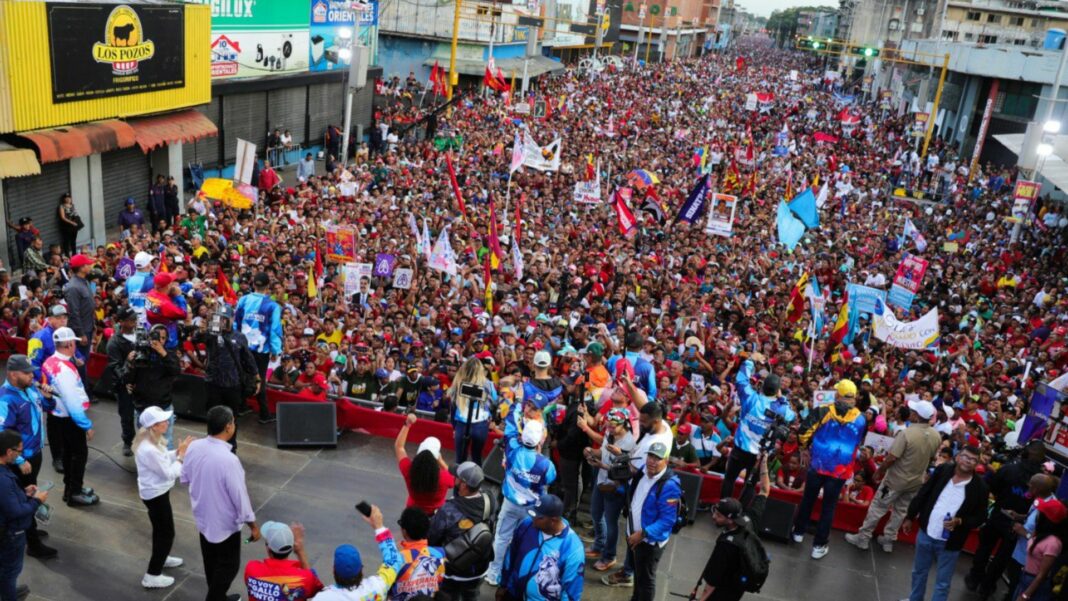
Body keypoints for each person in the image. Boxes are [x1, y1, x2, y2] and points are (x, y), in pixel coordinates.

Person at [181, 405, 261, 601]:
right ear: (228, 427)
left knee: (211, 563)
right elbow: (240, 498)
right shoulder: (229, 460)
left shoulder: (195, 447)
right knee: (229, 566)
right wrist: (253, 525)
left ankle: (220, 597)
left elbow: (185, 476)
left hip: (203, 517)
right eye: (233, 421)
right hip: (224, 525)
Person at [846, 399, 941, 553]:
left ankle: (863, 538)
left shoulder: (907, 434)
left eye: (913, 411)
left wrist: (879, 471)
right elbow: (931, 458)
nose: (910, 413)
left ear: (916, 415)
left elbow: (892, 457)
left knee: (878, 507)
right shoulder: (936, 435)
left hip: (895, 480)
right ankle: (888, 540)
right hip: (915, 482)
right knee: (900, 511)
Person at [901, 445, 989, 601]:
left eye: (973, 460)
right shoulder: (943, 471)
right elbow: (924, 493)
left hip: (950, 542)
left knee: (943, 583)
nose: (967, 461)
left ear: (977, 464)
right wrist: (910, 516)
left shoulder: (980, 487)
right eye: (965, 456)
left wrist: (960, 521)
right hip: (926, 533)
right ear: (957, 457)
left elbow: (981, 517)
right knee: (918, 572)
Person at [791, 379, 866, 560]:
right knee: (829, 507)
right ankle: (819, 545)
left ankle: (798, 533)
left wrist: (803, 449)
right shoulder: (861, 419)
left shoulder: (823, 410)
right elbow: (859, 441)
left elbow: (804, 432)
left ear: (837, 395)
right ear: (854, 396)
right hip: (841, 470)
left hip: (818, 464)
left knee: (808, 499)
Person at [965, 439, 1047, 597]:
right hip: (1016, 524)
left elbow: (992, 486)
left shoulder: (1010, 469)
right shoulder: (1041, 480)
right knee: (1002, 557)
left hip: (1000, 516)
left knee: (985, 548)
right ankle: (986, 586)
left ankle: (976, 579)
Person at [485, 419, 555, 587]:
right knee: (524, 541)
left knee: (501, 538)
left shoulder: (512, 450)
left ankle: (493, 574)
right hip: (531, 510)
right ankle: (515, 577)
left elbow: (509, 428)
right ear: (541, 440)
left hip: (509, 505)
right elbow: (550, 479)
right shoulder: (546, 464)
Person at [693, 455, 773, 601]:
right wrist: (763, 462)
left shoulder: (726, 544)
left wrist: (701, 598)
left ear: (730, 519)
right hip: (737, 588)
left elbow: (712, 581)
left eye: (719, 516)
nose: (714, 517)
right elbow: (764, 490)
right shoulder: (750, 520)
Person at [0, 355, 57, 560]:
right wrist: (18, 460)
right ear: (13, 374)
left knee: (28, 492)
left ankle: (29, 528)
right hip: (21, 460)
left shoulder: (30, 388)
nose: (32, 375)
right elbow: (2, 435)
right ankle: (32, 542)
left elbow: (47, 408)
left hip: (35, 454)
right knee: (24, 498)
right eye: (26, 372)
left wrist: (48, 398)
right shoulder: (6, 399)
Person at [719, 353, 795, 500]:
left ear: (762, 385)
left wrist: (751, 361)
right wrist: (782, 398)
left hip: (740, 449)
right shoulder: (780, 407)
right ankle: (738, 515)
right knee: (750, 485)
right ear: (778, 390)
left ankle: (723, 508)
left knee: (729, 479)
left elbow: (741, 380)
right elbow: (791, 416)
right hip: (759, 455)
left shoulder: (750, 397)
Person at [134, 406, 192, 589]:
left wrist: (176, 453)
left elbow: (162, 457)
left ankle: (162, 556)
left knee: (160, 531)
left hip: (156, 492)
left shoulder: (147, 439)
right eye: (163, 421)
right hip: (156, 494)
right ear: (154, 426)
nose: (168, 422)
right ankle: (152, 575)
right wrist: (181, 458)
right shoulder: (148, 448)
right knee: (166, 533)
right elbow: (168, 473)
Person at [42, 326, 97, 507]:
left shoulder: (51, 361)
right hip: (70, 418)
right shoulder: (64, 370)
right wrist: (86, 425)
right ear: (68, 344)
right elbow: (72, 401)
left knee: (68, 453)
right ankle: (74, 492)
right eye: (73, 342)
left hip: (59, 415)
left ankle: (70, 488)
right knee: (78, 454)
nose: (75, 345)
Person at [428, 462, 497, 600]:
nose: (455, 479)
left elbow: (432, 538)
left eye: (457, 477)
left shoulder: (448, 510)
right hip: (480, 567)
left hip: (454, 571)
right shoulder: (490, 498)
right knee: (471, 595)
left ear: (464, 485)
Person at [496, 493, 584, 601]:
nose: (533, 518)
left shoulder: (572, 548)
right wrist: (503, 584)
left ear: (553, 520)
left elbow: (571, 591)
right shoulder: (527, 525)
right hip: (513, 594)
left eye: (538, 517)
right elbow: (511, 556)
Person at [623, 442, 682, 601]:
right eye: (650, 456)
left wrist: (643, 534)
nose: (652, 461)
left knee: (646, 581)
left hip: (648, 542)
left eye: (657, 458)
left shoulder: (670, 485)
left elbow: (668, 520)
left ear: (666, 461)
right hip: (633, 535)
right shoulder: (643, 469)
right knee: (638, 574)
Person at [196, 304, 259, 452]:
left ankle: (231, 448)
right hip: (213, 383)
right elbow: (197, 338)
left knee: (232, 418)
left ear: (232, 319)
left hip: (233, 384)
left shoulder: (240, 337)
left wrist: (257, 378)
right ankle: (212, 448)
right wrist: (203, 329)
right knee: (213, 417)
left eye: (226, 318)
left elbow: (248, 359)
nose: (223, 321)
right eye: (220, 318)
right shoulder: (211, 334)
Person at [580, 407, 635, 573]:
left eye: (613, 425)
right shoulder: (609, 434)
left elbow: (625, 471)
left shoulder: (629, 443)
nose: (609, 428)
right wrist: (591, 452)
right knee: (596, 514)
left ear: (624, 423)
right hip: (601, 481)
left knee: (611, 523)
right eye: (608, 425)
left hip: (614, 486)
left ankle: (609, 555)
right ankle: (599, 544)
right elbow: (602, 453)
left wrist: (604, 464)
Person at [311, 504, 404, 601]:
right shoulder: (376, 587)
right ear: (361, 569)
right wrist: (379, 527)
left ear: (333, 571)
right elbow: (394, 561)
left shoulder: (323, 598)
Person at [26, 304, 78, 472]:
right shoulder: (38, 337)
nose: (63, 320)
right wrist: (43, 385)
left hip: (67, 384)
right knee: (55, 422)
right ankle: (57, 457)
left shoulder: (66, 334)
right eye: (60, 317)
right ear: (50, 318)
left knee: (68, 421)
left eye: (65, 317)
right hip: (49, 387)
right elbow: (32, 365)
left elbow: (75, 355)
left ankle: (68, 451)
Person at [0, 429, 48, 601]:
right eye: (19, 451)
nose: (21, 455)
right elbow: (15, 512)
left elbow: (7, 499)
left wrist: (23, 493)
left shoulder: (4, 472)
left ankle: (7, 590)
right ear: (8, 452)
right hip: (11, 533)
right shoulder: (3, 479)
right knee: (10, 570)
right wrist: (37, 501)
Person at [235, 272, 283, 425]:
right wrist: (276, 350)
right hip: (261, 350)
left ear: (253, 284)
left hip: (242, 347)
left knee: (242, 375)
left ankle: (241, 407)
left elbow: (236, 322)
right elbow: (275, 330)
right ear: (268, 286)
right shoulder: (273, 306)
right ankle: (264, 413)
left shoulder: (243, 300)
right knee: (259, 379)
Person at [125, 324, 181, 451]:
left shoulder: (170, 355)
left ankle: (166, 469)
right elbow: (127, 378)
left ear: (166, 340)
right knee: (145, 445)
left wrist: (163, 353)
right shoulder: (140, 353)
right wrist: (129, 363)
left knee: (166, 443)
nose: (158, 341)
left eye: (162, 338)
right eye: (155, 337)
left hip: (163, 407)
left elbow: (176, 371)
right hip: (142, 408)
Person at [1003, 475, 1059, 601]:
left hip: (1028, 561)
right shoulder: (1039, 500)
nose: (1028, 487)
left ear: (1036, 489)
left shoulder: (1050, 508)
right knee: (1013, 586)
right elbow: (1032, 519)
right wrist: (1019, 516)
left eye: (1031, 485)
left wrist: (1024, 532)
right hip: (1020, 552)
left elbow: (1044, 541)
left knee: (1017, 589)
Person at [244, 521, 324, 601]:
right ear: (291, 547)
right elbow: (318, 591)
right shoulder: (306, 578)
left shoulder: (252, 568)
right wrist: (300, 551)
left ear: (268, 548)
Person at [394, 413, 454, 515]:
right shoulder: (444, 477)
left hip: (412, 513)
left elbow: (399, 447)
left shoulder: (408, 470)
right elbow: (452, 479)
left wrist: (407, 424)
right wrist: (441, 461)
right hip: (435, 516)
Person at [1011, 498, 1066, 601]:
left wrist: (1026, 595)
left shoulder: (1053, 543)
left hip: (1034, 583)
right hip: (1025, 577)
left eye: (1040, 512)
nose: (1037, 514)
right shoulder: (1040, 533)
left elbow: (1042, 575)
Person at [446, 358, 496, 465]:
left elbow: (453, 407)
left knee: (460, 459)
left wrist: (454, 427)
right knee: (476, 458)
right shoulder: (488, 384)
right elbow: (494, 404)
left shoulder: (458, 382)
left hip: (462, 425)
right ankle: (475, 481)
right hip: (480, 425)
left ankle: (458, 480)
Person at [390, 508, 445, 600]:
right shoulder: (440, 553)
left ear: (404, 531)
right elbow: (440, 582)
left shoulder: (397, 558)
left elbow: (386, 586)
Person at [105, 308, 138, 455]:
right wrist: (128, 361)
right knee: (127, 414)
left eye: (135, 320)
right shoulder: (114, 343)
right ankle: (128, 440)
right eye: (131, 320)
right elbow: (115, 368)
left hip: (141, 380)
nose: (134, 323)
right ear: (122, 322)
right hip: (124, 384)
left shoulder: (140, 335)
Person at [64, 254, 96, 381]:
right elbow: (74, 312)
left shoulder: (84, 282)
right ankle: (82, 388)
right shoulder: (72, 287)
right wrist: (81, 333)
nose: (90, 266)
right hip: (81, 330)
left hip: (88, 326)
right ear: (82, 268)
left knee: (85, 359)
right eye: (87, 264)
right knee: (80, 361)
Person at [145, 272, 189, 350]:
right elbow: (184, 314)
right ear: (168, 286)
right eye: (172, 282)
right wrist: (179, 296)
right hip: (167, 342)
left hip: (152, 333)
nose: (174, 284)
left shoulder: (150, 293)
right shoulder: (165, 305)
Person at [606, 332, 657, 400]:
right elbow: (652, 394)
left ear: (626, 344)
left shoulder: (612, 360)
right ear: (641, 347)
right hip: (636, 407)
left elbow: (605, 382)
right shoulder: (648, 367)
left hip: (612, 402)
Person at [126, 251, 156, 328]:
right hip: (148, 322)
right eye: (150, 262)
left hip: (132, 321)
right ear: (148, 266)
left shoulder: (129, 280)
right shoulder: (153, 281)